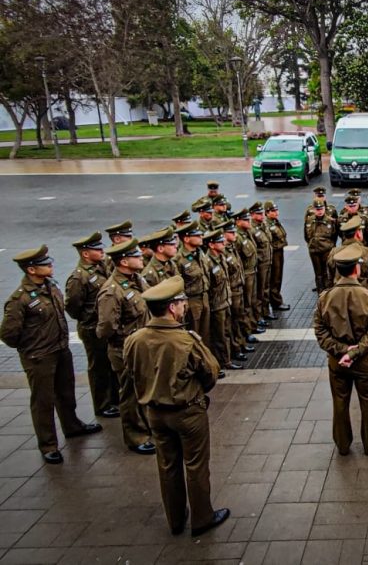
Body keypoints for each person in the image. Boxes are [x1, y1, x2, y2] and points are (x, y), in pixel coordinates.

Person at [125, 275, 230, 537]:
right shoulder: (185, 340)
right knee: (195, 465)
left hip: (155, 413)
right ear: (172, 307)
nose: (184, 305)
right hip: (187, 412)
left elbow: (131, 372)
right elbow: (210, 372)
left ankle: (175, 519)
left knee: (167, 465)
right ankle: (202, 518)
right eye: (181, 302)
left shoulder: (135, 340)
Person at [1, 245, 102, 464]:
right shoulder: (20, 299)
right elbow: (8, 334)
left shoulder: (51, 287)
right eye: (45, 265)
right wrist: (32, 346)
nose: (50, 266)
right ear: (31, 270)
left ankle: (72, 425)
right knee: (43, 401)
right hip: (39, 356)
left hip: (60, 349)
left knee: (66, 392)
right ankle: (48, 444)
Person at [313, 245, 368, 456]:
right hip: (364, 360)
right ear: (356, 269)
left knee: (340, 403)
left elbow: (320, 331)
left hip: (337, 361)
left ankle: (343, 443)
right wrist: (354, 351)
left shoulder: (325, 297)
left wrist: (342, 351)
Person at [96, 238, 155, 455]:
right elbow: (105, 328)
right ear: (124, 261)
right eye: (136, 256)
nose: (141, 258)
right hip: (125, 349)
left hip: (142, 346)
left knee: (144, 389)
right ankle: (135, 437)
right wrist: (126, 338)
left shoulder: (136, 280)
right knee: (130, 394)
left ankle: (147, 428)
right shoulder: (112, 291)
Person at [65, 232, 119, 418]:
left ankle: (113, 399)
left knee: (109, 365)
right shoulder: (79, 277)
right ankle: (102, 405)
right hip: (91, 327)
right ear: (85, 254)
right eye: (97, 249)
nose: (101, 250)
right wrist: (89, 318)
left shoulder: (101, 267)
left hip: (103, 325)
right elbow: (73, 306)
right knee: (98, 368)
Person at [204, 229, 238, 371]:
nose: (223, 243)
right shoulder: (208, 262)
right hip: (216, 304)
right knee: (219, 336)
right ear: (211, 245)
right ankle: (222, 362)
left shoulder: (220, 257)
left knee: (226, 332)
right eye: (219, 242)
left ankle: (227, 359)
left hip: (225, 300)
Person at [174, 221, 212, 343]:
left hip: (204, 296)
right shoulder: (179, 259)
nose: (201, 237)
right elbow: (178, 284)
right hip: (191, 301)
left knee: (205, 334)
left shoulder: (200, 253)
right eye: (197, 235)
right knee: (194, 335)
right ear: (186, 239)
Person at [327, 216, 368, 293]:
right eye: (361, 231)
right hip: (363, 294)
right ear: (358, 234)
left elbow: (330, 277)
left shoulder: (334, 252)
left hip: (340, 293)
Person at [221, 219, 250, 361]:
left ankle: (241, 343)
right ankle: (235, 347)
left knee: (238, 318)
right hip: (231, 291)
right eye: (231, 232)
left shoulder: (231, 248)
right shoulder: (224, 252)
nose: (235, 235)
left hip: (238, 287)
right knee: (232, 322)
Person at [234, 208, 263, 336]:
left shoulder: (247, 234)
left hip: (252, 271)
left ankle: (253, 323)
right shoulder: (238, 238)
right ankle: (247, 329)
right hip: (246, 273)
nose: (248, 221)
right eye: (245, 220)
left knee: (252, 300)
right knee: (246, 303)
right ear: (238, 222)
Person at [305, 199, 339, 293]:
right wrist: (311, 244)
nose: (319, 211)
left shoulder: (331, 221)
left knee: (327, 273)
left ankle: (329, 292)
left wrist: (330, 246)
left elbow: (334, 236)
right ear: (314, 209)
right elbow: (306, 236)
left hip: (326, 250)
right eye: (317, 209)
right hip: (314, 251)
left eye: (321, 208)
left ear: (324, 209)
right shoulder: (309, 220)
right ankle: (320, 293)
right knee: (318, 274)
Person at [250, 202, 274, 322]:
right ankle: (258, 316)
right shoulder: (251, 229)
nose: (262, 216)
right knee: (259, 291)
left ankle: (265, 311)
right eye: (258, 214)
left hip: (267, 260)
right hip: (260, 263)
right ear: (252, 215)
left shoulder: (263, 225)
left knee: (266, 288)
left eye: (262, 213)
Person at [264, 201, 290, 312]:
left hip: (279, 251)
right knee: (275, 278)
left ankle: (276, 300)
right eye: (273, 211)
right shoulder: (267, 225)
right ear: (267, 212)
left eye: (276, 210)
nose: (276, 213)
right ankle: (276, 302)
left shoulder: (274, 222)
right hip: (274, 253)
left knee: (278, 277)